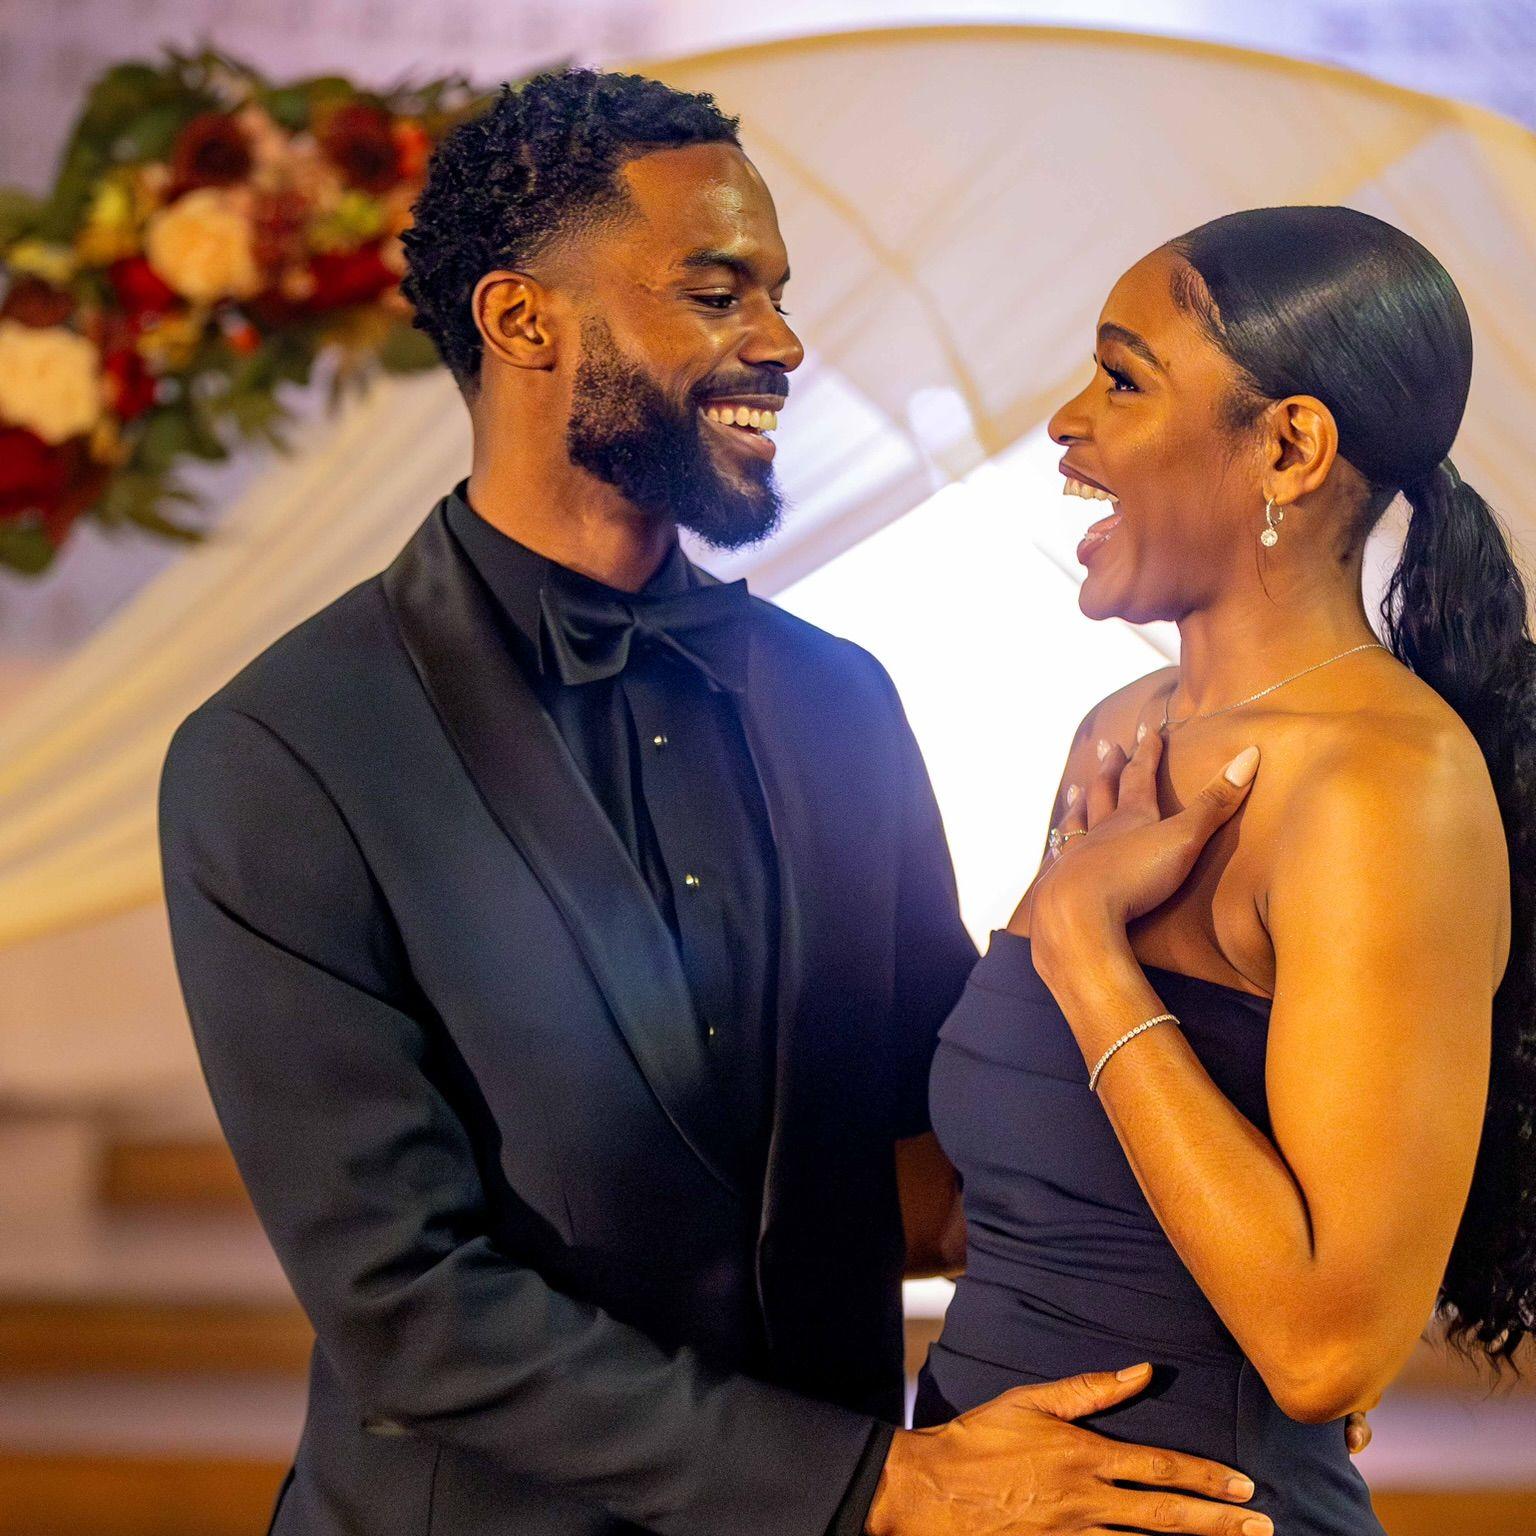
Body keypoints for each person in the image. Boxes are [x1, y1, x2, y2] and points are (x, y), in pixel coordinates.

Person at [157, 70, 1288, 1536]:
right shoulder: (281, 749)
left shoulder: (839, 700)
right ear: (523, 322)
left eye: (779, 294)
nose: (783, 341)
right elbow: (407, 1303)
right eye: (717, 293)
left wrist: (1241, 1320)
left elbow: (938, 1164)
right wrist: (875, 1485)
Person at [914, 206, 1535, 1535]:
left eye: (1122, 379)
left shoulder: (1382, 786)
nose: (1066, 422)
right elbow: (1045, 1203)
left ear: (1289, 448)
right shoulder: (1118, 736)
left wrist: (1087, 955)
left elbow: (1326, 1355)